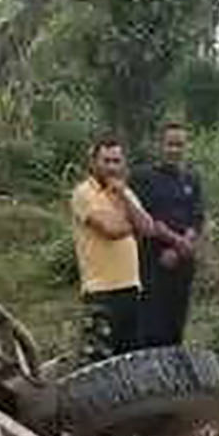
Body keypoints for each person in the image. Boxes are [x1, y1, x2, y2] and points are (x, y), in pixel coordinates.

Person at [131, 120, 206, 348]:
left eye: (180, 145)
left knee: (177, 318)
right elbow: (145, 219)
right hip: (153, 260)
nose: (175, 150)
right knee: (152, 320)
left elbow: (197, 217)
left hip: (183, 260)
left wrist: (184, 245)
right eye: (170, 144)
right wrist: (174, 243)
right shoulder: (143, 177)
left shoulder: (192, 179)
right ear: (159, 145)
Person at [70, 138, 147, 360]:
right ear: (93, 162)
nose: (112, 167)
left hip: (131, 287)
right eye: (106, 161)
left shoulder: (125, 192)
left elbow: (149, 228)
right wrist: (135, 223)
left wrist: (123, 196)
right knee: (99, 360)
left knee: (131, 360)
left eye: (117, 161)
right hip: (100, 292)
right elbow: (110, 230)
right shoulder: (83, 193)